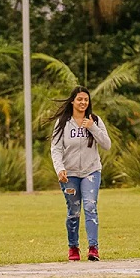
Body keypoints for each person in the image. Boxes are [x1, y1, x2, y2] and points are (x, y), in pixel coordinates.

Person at [48, 86, 111, 261]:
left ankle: (93, 248)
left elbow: (107, 145)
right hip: (70, 174)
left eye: (86, 99)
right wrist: (59, 168)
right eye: (79, 99)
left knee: (90, 207)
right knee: (73, 211)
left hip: (91, 171)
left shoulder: (95, 120)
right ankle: (73, 247)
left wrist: (92, 128)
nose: (83, 102)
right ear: (72, 101)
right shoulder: (62, 123)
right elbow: (56, 148)